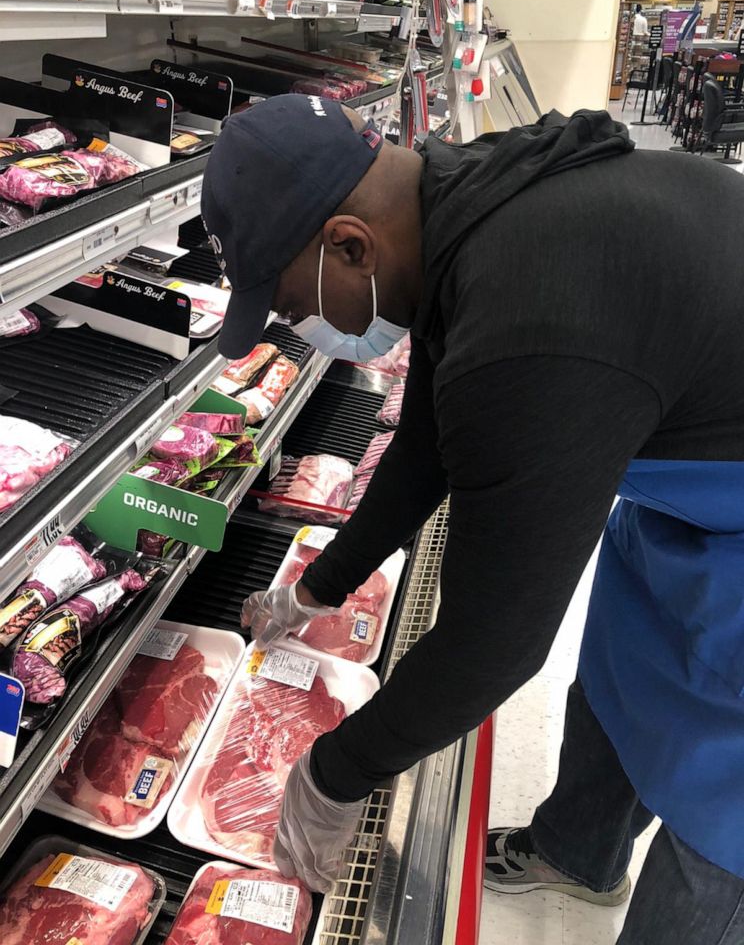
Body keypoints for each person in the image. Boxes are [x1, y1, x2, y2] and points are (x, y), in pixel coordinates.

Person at [201, 95, 744, 944]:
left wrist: (333, 774)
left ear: (351, 244)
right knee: (634, 655)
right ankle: (578, 851)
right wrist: (318, 589)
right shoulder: (462, 207)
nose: (299, 329)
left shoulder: (531, 320)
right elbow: (426, 446)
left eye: (288, 305)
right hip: (698, 458)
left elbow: (499, 643)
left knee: (728, 796)